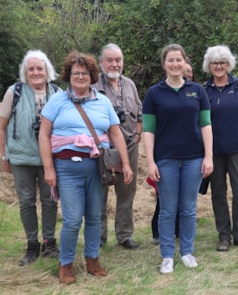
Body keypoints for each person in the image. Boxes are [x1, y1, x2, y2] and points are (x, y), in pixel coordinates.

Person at [38, 51, 133, 284]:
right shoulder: (57, 100)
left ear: (92, 76)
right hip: (66, 167)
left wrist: (126, 164)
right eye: (75, 73)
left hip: (96, 167)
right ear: (68, 76)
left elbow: (115, 133)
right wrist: (49, 169)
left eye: (84, 73)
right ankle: (66, 264)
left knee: (94, 215)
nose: (80, 77)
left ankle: (92, 259)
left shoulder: (102, 101)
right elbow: (44, 134)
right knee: (72, 219)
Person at [143, 44, 213, 274]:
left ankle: (187, 251)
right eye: (170, 60)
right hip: (166, 160)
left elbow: (205, 125)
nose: (175, 64)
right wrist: (150, 162)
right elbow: (149, 130)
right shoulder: (154, 93)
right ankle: (166, 256)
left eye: (178, 60)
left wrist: (208, 156)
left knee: (189, 209)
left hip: (194, 159)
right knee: (167, 209)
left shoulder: (198, 91)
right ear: (164, 64)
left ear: (185, 63)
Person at [0, 50, 61, 266]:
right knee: (26, 202)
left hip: (49, 160)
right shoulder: (13, 92)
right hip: (21, 159)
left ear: (47, 71)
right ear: (26, 71)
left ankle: (49, 243)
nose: (35, 72)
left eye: (39, 68)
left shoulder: (57, 93)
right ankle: (32, 245)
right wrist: (4, 154)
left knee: (50, 201)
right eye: (31, 68)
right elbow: (1, 126)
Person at [202, 45, 238, 251]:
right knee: (218, 193)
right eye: (215, 63)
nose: (219, 66)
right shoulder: (203, 89)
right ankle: (224, 236)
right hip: (214, 152)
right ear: (209, 66)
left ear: (229, 65)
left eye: (223, 62)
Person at [92, 43, 142, 250]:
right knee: (98, 194)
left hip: (129, 145)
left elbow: (140, 114)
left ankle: (124, 236)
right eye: (110, 60)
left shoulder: (129, 84)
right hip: (102, 148)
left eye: (118, 60)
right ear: (101, 62)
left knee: (127, 192)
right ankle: (99, 238)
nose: (114, 64)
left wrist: (138, 134)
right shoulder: (93, 86)